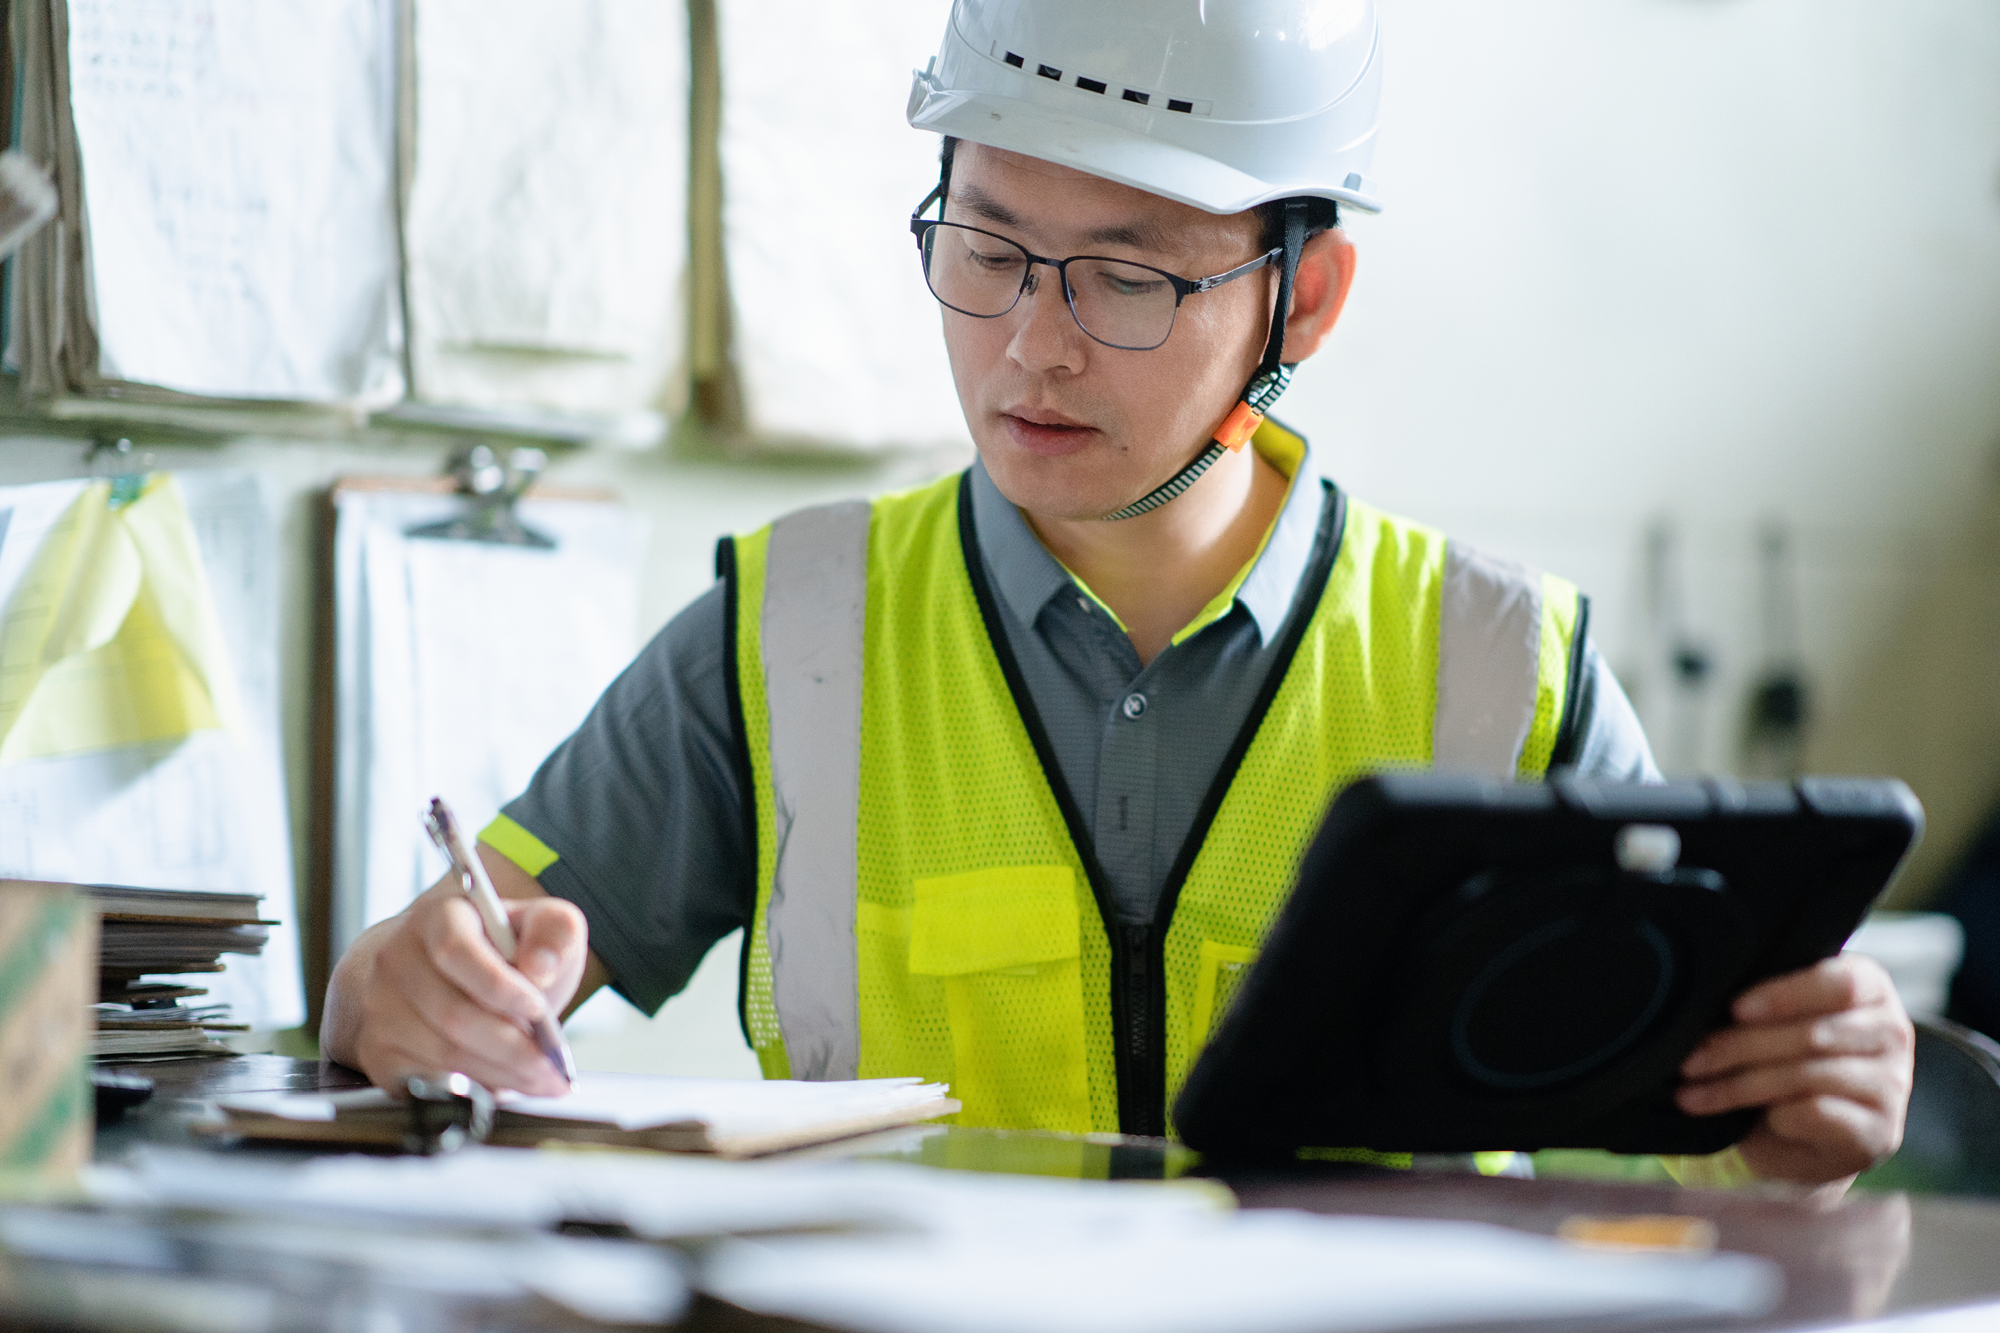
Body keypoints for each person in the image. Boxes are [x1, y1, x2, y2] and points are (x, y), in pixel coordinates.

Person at [323, 0, 1911, 1192]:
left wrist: (1811, 1116)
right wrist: (397, 997)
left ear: (1307, 295)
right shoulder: (785, 634)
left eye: (1127, 277)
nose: (1034, 345)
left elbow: (1715, 1130)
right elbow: (462, 963)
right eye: (991, 248)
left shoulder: (1505, 667)